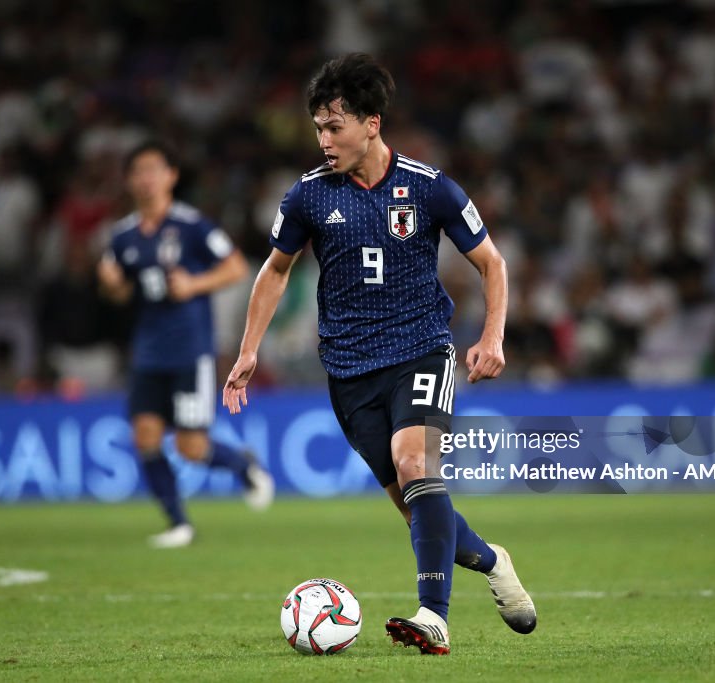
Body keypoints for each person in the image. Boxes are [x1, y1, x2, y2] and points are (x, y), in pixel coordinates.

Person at [223, 53, 536, 654]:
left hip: (421, 349)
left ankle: (433, 617)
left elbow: (492, 264)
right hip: (347, 373)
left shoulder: (429, 187)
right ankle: (493, 560)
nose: (324, 140)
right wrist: (248, 351)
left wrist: (493, 335)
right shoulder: (308, 197)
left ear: (372, 122)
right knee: (420, 510)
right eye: (317, 128)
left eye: (333, 126)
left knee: (417, 464)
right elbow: (274, 271)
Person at [99, 139, 274, 549]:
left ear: (171, 176)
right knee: (144, 435)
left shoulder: (193, 226)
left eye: (154, 169)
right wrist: (111, 286)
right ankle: (178, 523)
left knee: (190, 446)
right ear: (128, 180)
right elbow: (121, 295)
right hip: (146, 350)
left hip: (189, 349)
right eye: (138, 171)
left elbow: (234, 266)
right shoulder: (122, 236)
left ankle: (241, 464)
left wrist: (195, 282)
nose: (146, 179)